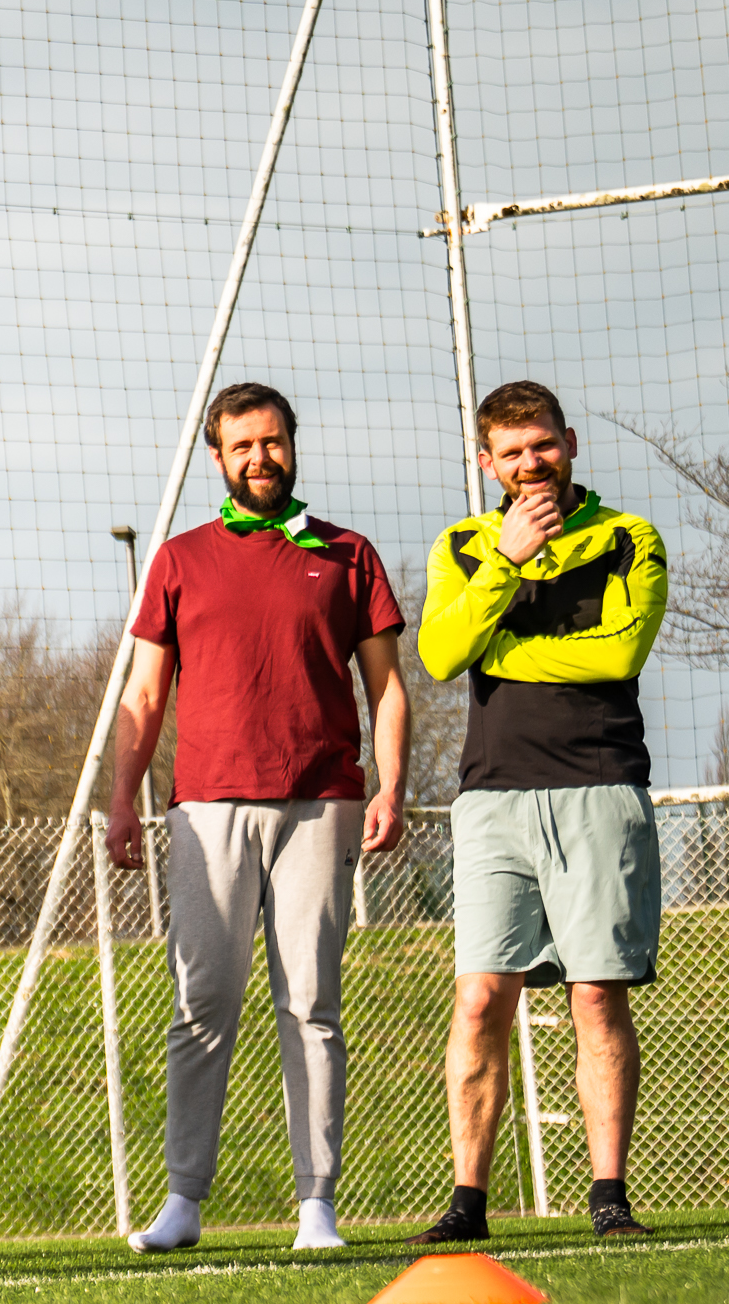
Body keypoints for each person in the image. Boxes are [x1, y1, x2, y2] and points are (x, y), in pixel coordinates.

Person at [107, 381, 409, 1254]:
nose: (259, 458)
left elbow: (387, 687)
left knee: (311, 1002)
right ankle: (183, 1201)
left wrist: (390, 785)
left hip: (323, 801)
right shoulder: (178, 559)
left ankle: (317, 1205)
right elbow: (144, 693)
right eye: (241, 446)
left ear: (292, 444)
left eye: (271, 441)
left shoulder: (348, 554)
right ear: (217, 457)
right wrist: (123, 799)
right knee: (200, 1000)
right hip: (206, 808)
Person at [408, 380, 667, 1243]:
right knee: (481, 997)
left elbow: (618, 655)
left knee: (596, 995)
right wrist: (507, 562)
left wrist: (502, 651)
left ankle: (609, 1198)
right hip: (492, 796)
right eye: (512, 452)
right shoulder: (463, 544)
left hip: (600, 783)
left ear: (571, 442)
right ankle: (467, 1205)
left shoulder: (629, 537)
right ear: (488, 462)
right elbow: (441, 651)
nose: (531, 463)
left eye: (543, 444)